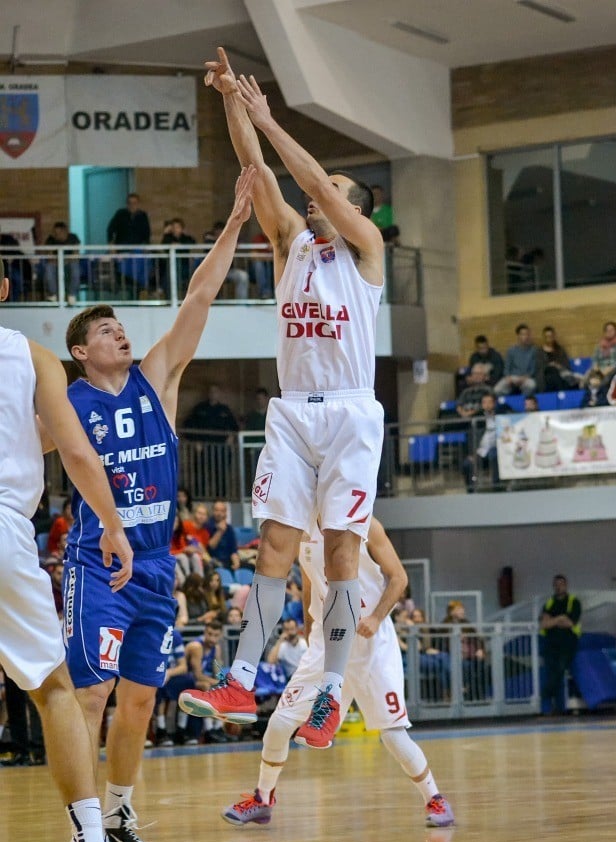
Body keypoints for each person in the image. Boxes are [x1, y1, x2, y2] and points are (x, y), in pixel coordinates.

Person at [179, 49, 385, 750]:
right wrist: (233, 101)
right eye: (319, 184)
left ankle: (329, 693)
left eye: (332, 187)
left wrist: (270, 117)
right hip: (295, 410)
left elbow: (311, 185)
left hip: (352, 414)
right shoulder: (292, 245)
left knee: (340, 559)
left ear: (356, 211)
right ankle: (239, 678)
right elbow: (258, 171)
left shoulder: (367, 252)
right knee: (273, 543)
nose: (315, 193)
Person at [53, 167, 256, 842]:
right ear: (81, 353)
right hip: (96, 561)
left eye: (118, 325)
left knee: (139, 699)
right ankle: (82, 827)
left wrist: (232, 223)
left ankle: (120, 816)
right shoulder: (66, 401)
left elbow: (199, 293)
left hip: (157, 563)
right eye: (105, 329)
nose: (118, 331)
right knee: (90, 694)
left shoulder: (158, 379)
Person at [0, 261, 139, 842]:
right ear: (4, 290)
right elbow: (78, 453)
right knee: (54, 689)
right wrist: (113, 527)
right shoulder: (29, 354)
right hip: (4, 528)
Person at [221, 519, 454, 828]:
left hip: (369, 639)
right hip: (324, 641)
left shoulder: (366, 524)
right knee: (278, 723)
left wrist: (376, 617)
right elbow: (308, 589)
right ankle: (263, 799)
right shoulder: (301, 531)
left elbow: (398, 578)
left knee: (393, 734)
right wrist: (309, 633)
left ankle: (435, 799)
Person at [539, 575, 582, 716]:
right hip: (550, 645)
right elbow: (544, 624)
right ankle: (557, 708)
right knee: (552, 672)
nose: (559, 587)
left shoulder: (574, 602)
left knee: (560, 669)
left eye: (561, 584)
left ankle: (545, 694)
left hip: (568, 644)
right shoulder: (549, 603)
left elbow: (570, 623)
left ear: (566, 585)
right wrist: (560, 618)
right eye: (556, 584)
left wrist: (553, 620)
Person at [462, 393, 499, 492]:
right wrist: (471, 453)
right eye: (484, 402)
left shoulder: (501, 414)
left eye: (489, 402)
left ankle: (497, 488)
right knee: (467, 463)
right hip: (481, 451)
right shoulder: (476, 419)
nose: (487, 405)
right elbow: (470, 437)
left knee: (494, 455)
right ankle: (471, 490)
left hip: (496, 449)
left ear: (494, 403)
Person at [203, 223, 249, 298]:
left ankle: (242, 304)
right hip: (212, 272)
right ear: (214, 233)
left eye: (222, 232)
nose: (220, 234)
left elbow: (240, 239)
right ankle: (212, 304)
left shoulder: (229, 239)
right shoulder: (210, 241)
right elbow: (206, 238)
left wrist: (231, 240)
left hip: (228, 271)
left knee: (243, 276)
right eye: (218, 232)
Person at [493, 324, 540, 398]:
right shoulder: (511, 350)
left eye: (527, 334)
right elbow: (507, 367)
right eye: (523, 334)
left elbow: (533, 369)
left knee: (532, 385)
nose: (526, 337)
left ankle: (523, 403)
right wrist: (508, 377)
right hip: (512, 377)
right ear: (518, 336)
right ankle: (508, 403)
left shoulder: (534, 350)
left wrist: (525, 377)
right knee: (497, 390)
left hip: (526, 378)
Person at [43, 221, 81, 305]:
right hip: (56, 264)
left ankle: (72, 295)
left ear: (65, 231)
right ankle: (53, 295)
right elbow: (50, 257)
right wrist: (59, 261)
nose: (57, 235)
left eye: (59, 232)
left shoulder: (73, 238)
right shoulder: (51, 239)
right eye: (55, 232)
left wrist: (64, 261)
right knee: (49, 267)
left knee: (75, 266)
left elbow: (76, 255)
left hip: (69, 264)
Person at [587, 321, 616, 387]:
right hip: (600, 370)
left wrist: (610, 368)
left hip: (615, 368)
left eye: (611, 330)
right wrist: (596, 367)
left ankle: (600, 387)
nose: (609, 331)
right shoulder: (600, 345)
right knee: (589, 378)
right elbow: (595, 358)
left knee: (607, 379)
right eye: (607, 330)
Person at [266, 616, 307, 680]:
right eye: (287, 629)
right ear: (284, 631)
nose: (290, 631)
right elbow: (271, 661)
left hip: (307, 674)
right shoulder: (282, 646)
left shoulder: (304, 643)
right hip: (292, 678)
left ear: (297, 628)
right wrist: (279, 641)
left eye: (292, 629)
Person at [540, 326, 579, 392]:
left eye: (551, 336)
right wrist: (550, 365)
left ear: (554, 336)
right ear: (544, 337)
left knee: (566, 379)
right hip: (546, 375)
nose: (549, 339)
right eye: (547, 337)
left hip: (561, 373)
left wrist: (558, 366)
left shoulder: (560, 350)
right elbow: (539, 367)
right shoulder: (539, 352)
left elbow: (567, 365)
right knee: (552, 372)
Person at [206, 498, 240, 571]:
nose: (219, 513)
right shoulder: (207, 526)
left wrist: (236, 563)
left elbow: (233, 550)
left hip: (228, 561)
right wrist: (220, 531)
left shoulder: (229, 528)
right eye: (216, 510)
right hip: (213, 561)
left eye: (222, 511)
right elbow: (211, 547)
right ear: (212, 511)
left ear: (225, 513)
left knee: (250, 567)